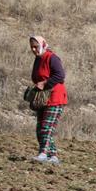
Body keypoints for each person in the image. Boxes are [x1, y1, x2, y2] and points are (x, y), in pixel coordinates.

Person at [28, 35, 67, 164]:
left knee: (46, 128)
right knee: (40, 129)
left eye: (36, 46)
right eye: (32, 47)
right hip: (43, 99)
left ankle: (43, 153)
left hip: (55, 98)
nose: (34, 49)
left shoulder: (52, 58)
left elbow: (60, 76)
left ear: (42, 45)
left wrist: (45, 83)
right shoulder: (38, 59)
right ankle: (53, 156)